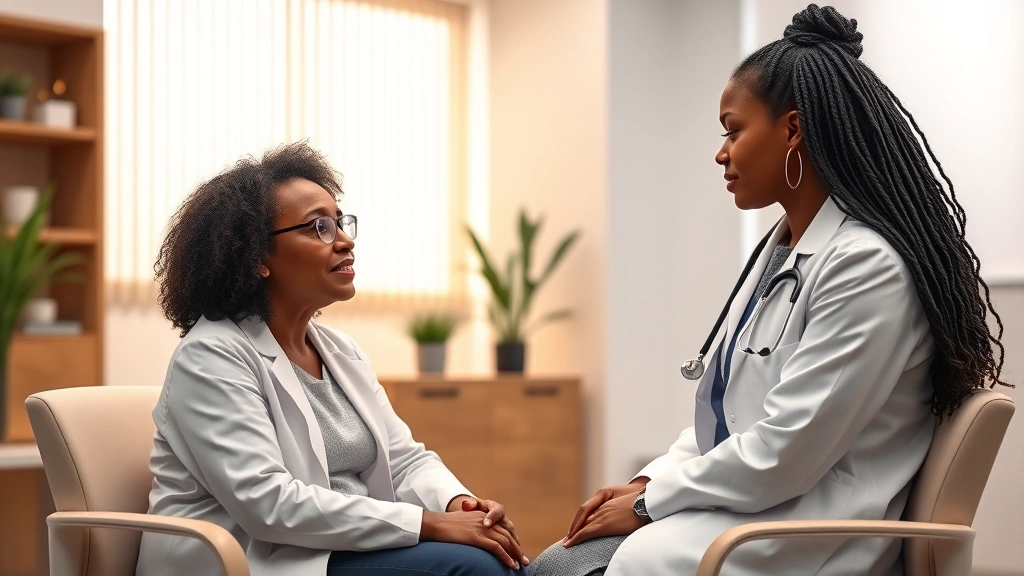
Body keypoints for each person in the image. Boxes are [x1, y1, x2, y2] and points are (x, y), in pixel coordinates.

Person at [529, 4, 1009, 575]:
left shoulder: (866, 266)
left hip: (806, 533)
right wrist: (647, 482)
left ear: (792, 130)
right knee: (557, 563)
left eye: (733, 130)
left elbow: (785, 451)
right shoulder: (781, 251)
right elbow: (729, 419)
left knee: (565, 569)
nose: (721, 152)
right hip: (756, 511)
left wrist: (646, 505)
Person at [136, 142, 530, 576]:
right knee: (475, 569)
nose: (345, 241)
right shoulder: (211, 356)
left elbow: (403, 460)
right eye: (319, 227)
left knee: (495, 557)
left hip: (337, 549)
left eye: (340, 223)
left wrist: (459, 505)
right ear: (257, 258)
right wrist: (429, 523)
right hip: (258, 559)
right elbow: (268, 504)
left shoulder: (341, 352)